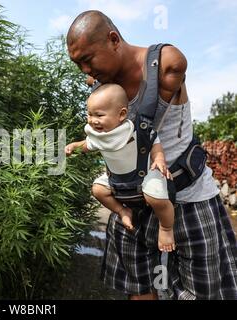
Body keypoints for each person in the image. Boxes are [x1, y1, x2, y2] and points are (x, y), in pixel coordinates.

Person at [66, 10, 237, 300]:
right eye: (78, 64)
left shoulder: (166, 63)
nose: (85, 71)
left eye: (87, 59)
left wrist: (102, 92)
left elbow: (138, 126)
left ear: (114, 39)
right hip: (131, 203)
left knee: (203, 291)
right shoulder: (101, 83)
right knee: (140, 288)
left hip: (186, 200)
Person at [65, 83, 176, 252]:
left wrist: (159, 159)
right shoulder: (99, 135)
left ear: (121, 114)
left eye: (99, 115)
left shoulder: (135, 131)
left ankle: (166, 228)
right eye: (89, 114)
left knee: (156, 197)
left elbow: (155, 143)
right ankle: (122, 211)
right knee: (98, 190)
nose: (93, 120)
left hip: (144, 174)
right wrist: (74, 146)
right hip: (117, 180)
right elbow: (87, 144)